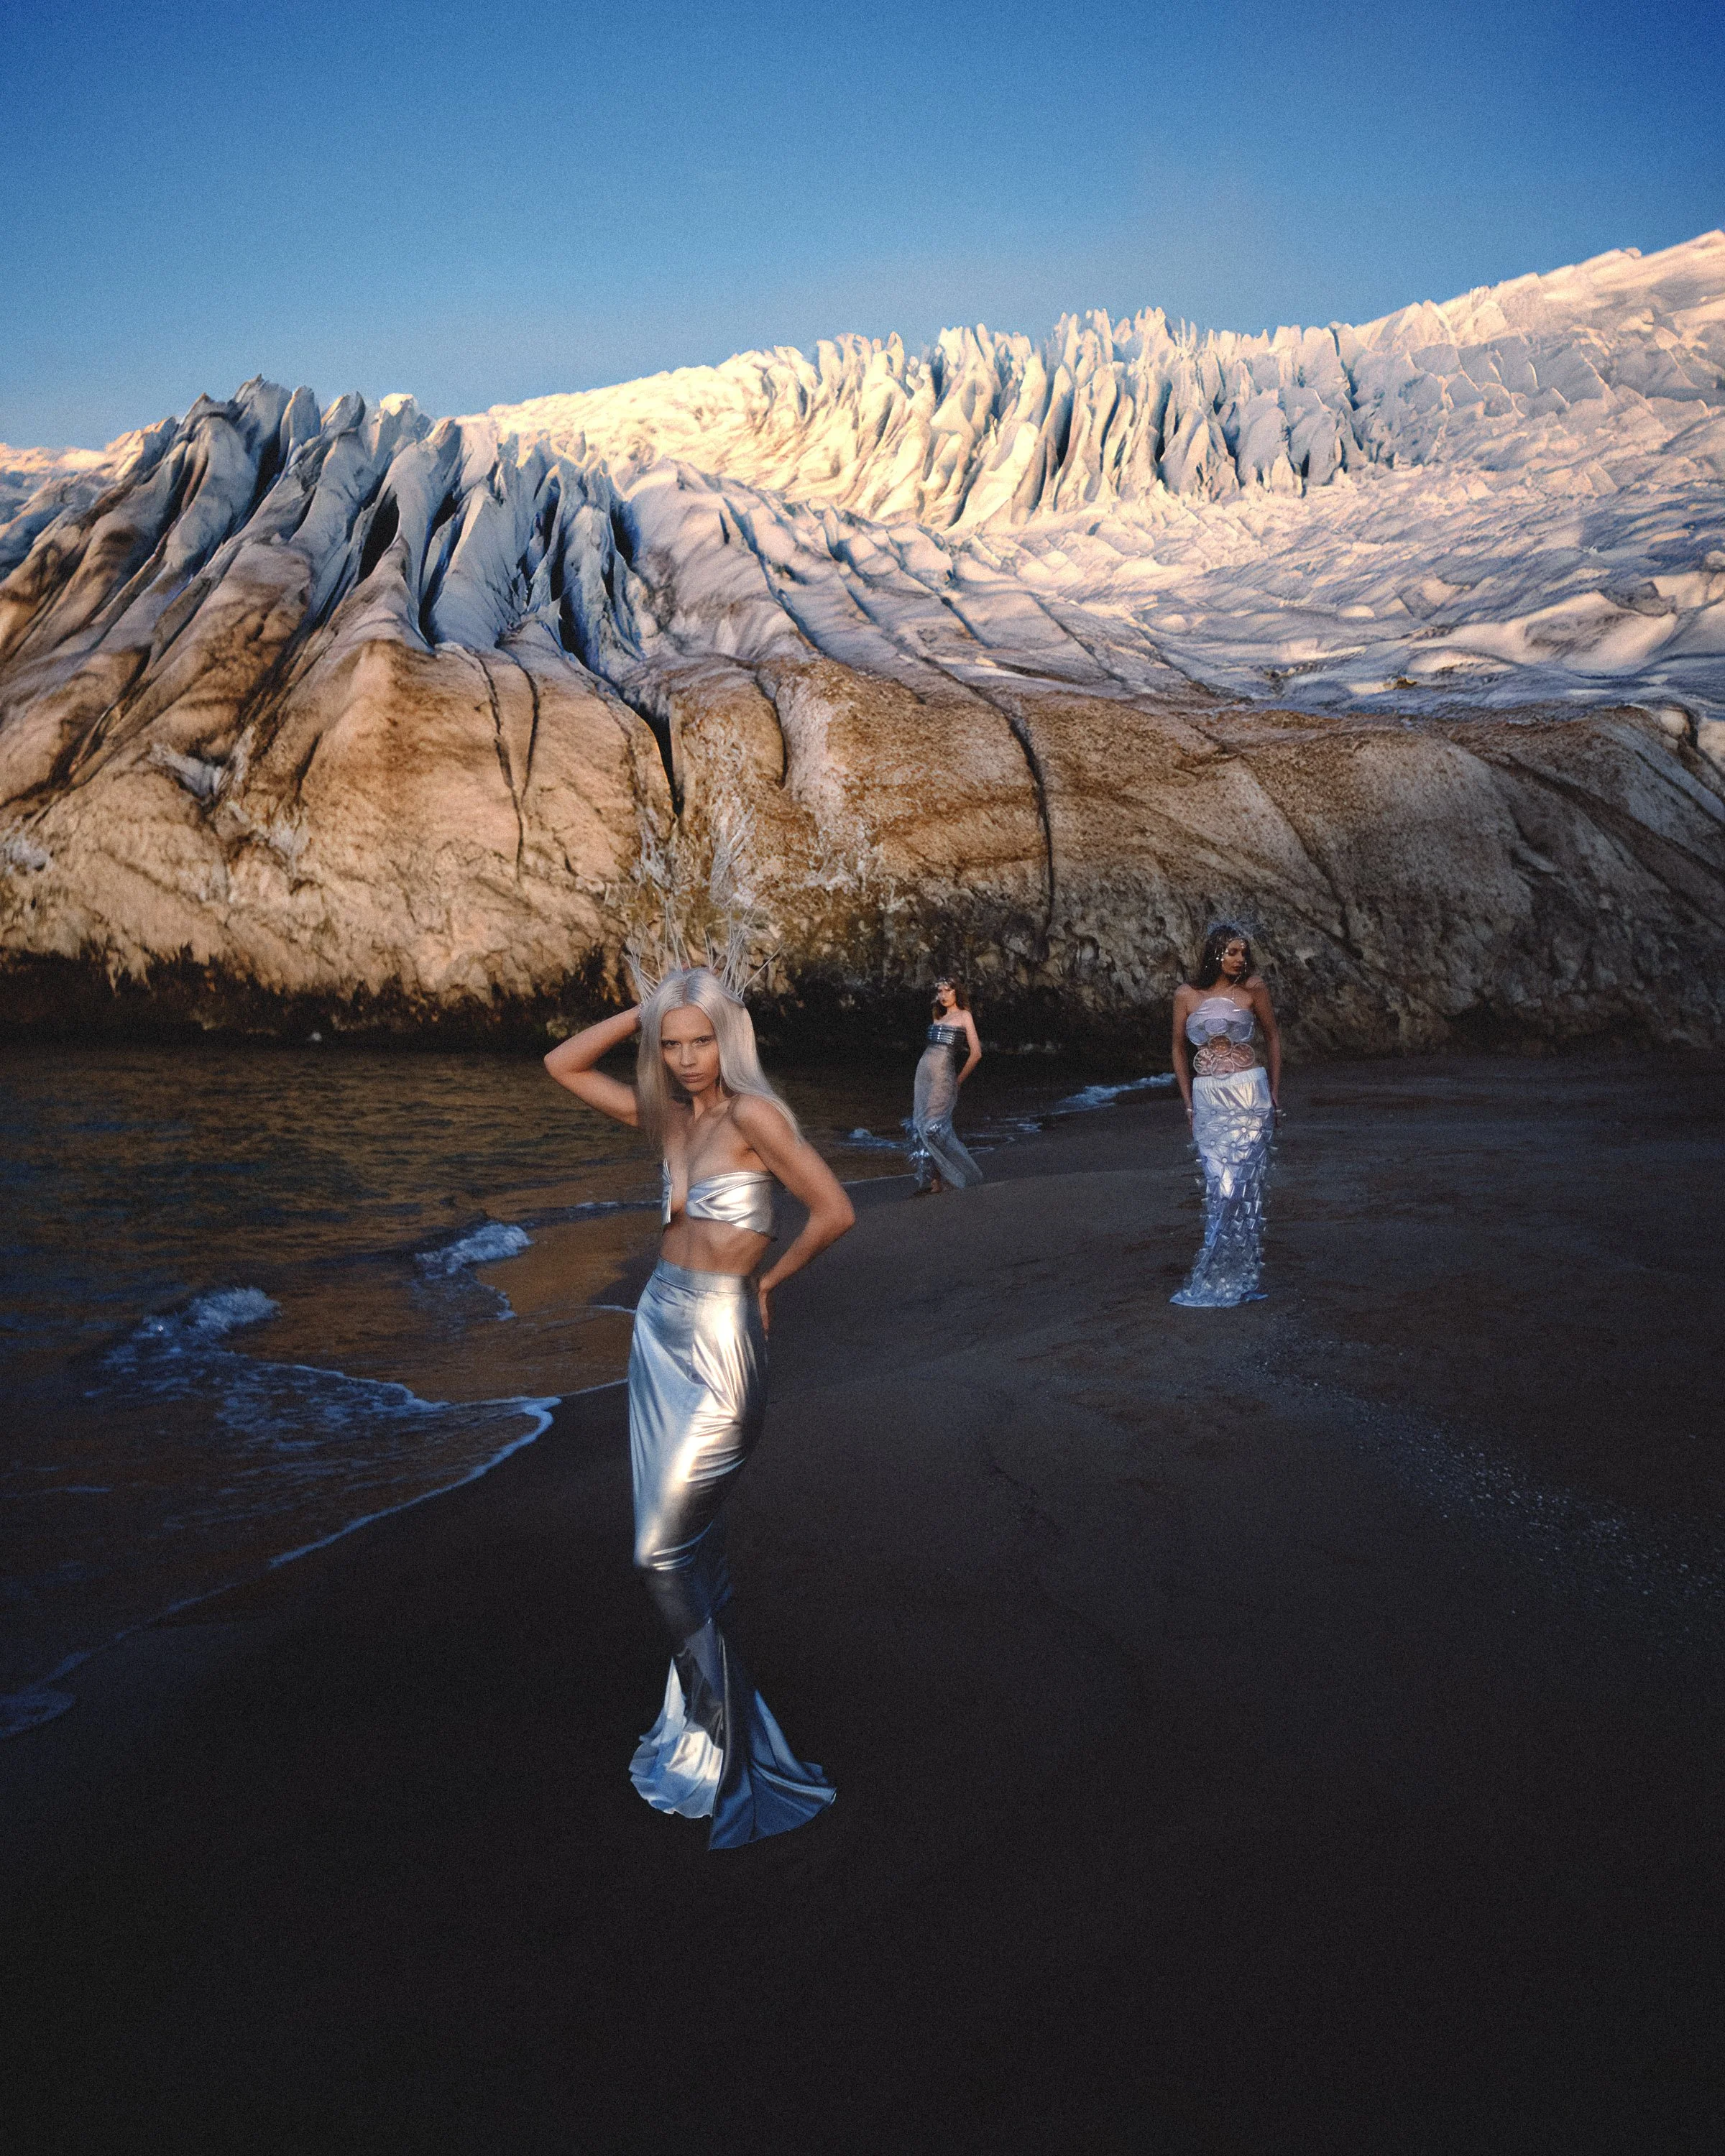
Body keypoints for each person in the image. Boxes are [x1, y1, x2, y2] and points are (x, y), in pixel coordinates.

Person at [544, 967, 855, 1848]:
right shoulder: (671, 1118)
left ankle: (726, 1728)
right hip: (657, 1332)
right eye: (669, 1043)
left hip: (720, 1341)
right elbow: (561, 1064)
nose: (684, 1059)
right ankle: (706, 1720)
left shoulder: (756, 1118)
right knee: (691, 1549)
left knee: (658, 1551)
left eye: (699, 1040)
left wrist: (769, 1283)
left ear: (731, 1038)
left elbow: (833, 1211)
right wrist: (636, 1012)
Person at [1169, 925, 1282, 1308]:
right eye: (1232, 952)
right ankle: (1219, 1273)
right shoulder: (1186, 995)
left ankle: (1243, 1274)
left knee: (1244, 1187)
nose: (1239, 959)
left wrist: (1275, 1097)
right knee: (1219, 1186)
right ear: (1216, 953)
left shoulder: (1254, 989)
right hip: (1208, 1097)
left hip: (1251, 1093)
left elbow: (1273, 1038)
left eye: (1243, 953)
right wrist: (1188, 1104)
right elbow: (1177, 1050)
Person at [908, 977, 983, 1195]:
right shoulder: (937, 1016)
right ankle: (936, 1182)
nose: (943, 995)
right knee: (919, 1124)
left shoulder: (965, 1016)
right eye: (939, 991)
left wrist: (959, 1080)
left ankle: (962, 1175)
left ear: (956, 992)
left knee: (934, 1128)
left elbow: (976, 1053)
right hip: (923, 1075)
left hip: (943, 1076)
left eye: (947, 990)